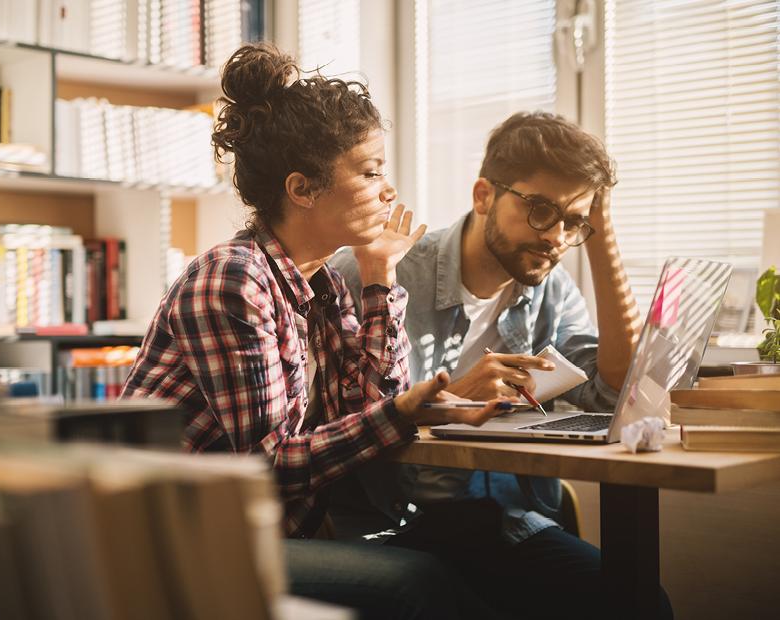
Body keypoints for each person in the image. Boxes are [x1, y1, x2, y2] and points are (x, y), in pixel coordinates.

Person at [121, 43, 510, 620]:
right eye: (371, 171)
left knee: (474, 558)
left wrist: (379, 275)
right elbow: (268, 466)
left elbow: (366, 408)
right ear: (302, 189)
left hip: (264, 534)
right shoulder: (234, 279)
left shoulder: (321, 286)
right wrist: (402, 412)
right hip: (172, 542)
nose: (389, 191)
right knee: (417, 583)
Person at [330, 111, 673, 619]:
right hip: (392, 523)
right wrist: (452, 399)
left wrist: (602, 233)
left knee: (639, 601)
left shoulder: (550, 290)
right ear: (484, 196)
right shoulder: (377, 270)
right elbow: (333, 422)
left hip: (502, 520)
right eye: (540, 210)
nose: (556, 236)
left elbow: (614, 390)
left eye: (573, 221)